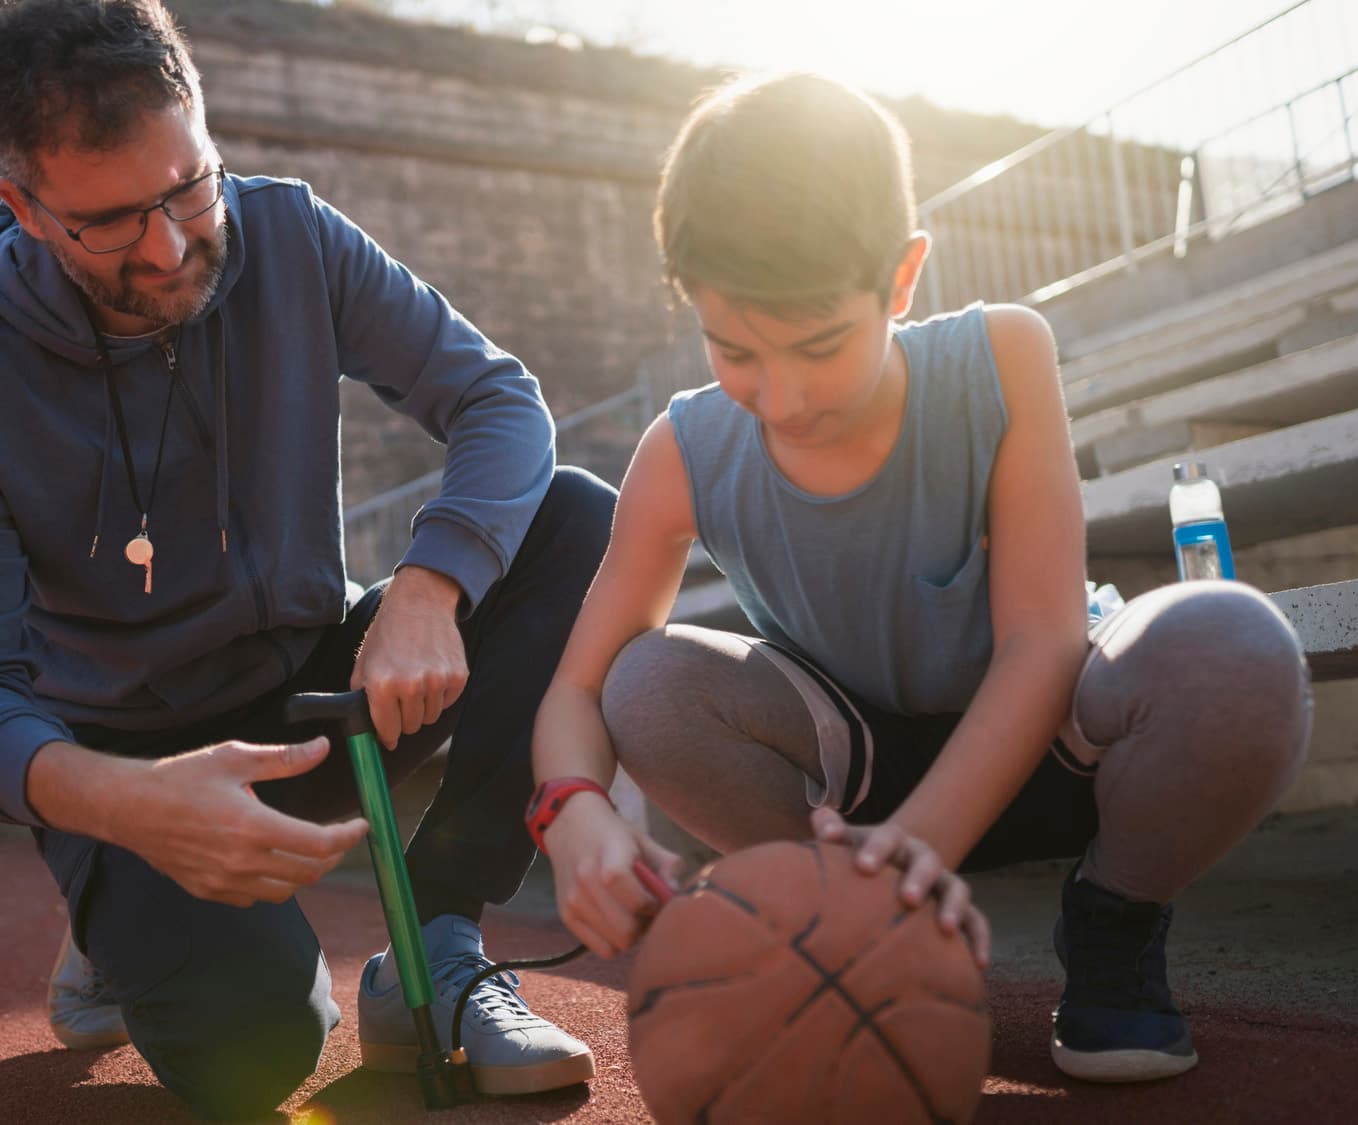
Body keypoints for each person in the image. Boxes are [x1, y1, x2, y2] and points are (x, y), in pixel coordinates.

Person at [0, 1, 611, 1116]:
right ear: (24, 209)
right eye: (113, 223)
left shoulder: (291, 235)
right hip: (129, 766)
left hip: (304, 696)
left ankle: (437, 941)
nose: (173, 246)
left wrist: (429, 587)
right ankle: (113, 918)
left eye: (189, 187)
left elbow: (496, 399)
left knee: (574, 521)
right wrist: (126, 807)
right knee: (258, 1060)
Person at [527, 72, 1313, 1084]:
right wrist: (575, 811)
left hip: (1064, 738)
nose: (784, 396)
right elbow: (579, 688)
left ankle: (1113, 921)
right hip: (852, 779)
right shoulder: (682, 449)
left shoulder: (1001, 355)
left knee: (1235, 645)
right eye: (734, 350)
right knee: (649, 680)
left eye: (820, 346)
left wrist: (920, 844)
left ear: (901, 279)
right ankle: (839, 931)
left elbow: (1041, 640)